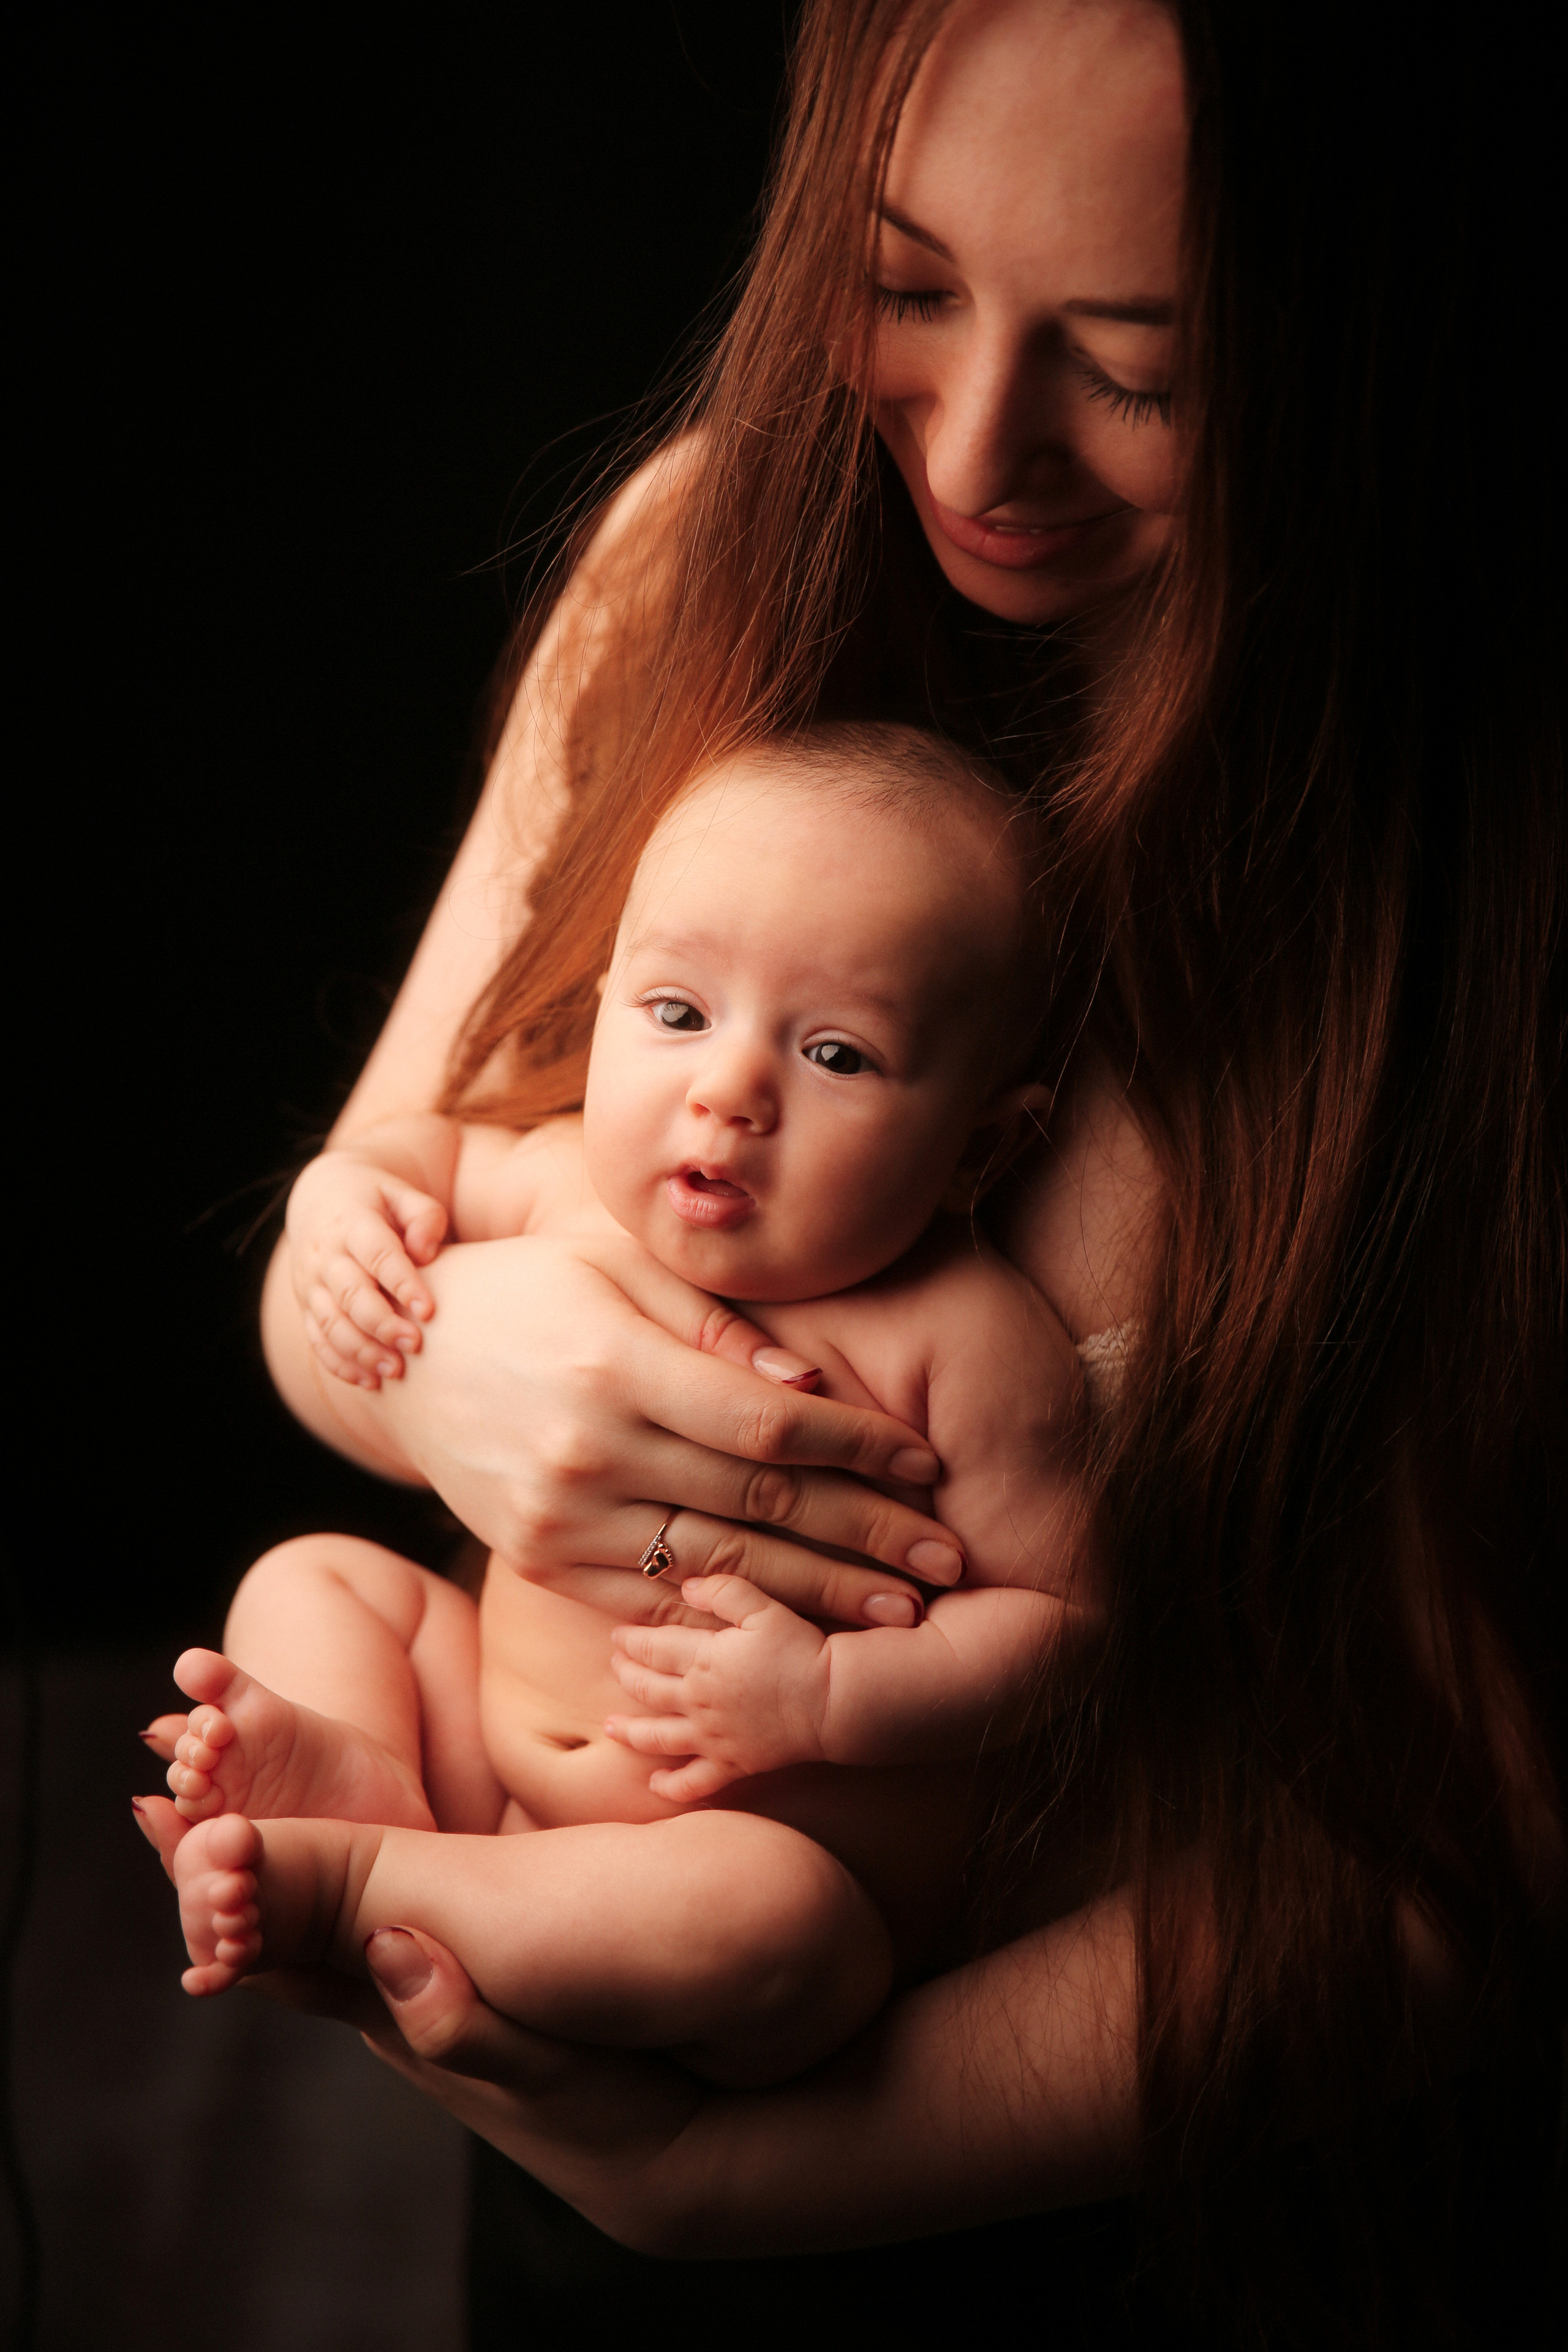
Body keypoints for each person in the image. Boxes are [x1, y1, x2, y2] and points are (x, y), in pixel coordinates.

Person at [144, 0, 1562, 2335]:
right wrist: (448, 1371)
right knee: (311, 1593)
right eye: (907, 287)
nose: (983, 449)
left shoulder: (1468, 867)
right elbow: (374, 1205)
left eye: (1142, 366)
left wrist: (729, 2186)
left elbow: (1461, 1837)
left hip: (1105, 2166)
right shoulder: (692, 564)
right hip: (552, 2066)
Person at [141, 725, 1101, 2092]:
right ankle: (373, 1792)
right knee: (320, 1581)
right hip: (484, 1780)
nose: (729, 1091)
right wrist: (342, 1200)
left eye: (833, 1054)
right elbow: (426, 1151)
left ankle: (353, 1883)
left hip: (707, 1877)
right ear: (603, 1010)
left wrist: (828, 1699)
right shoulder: (558, 1186)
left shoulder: (970, 1344)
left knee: (777, 1922)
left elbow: (1065, 1630)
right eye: (675, 1014)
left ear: (981, 1143)